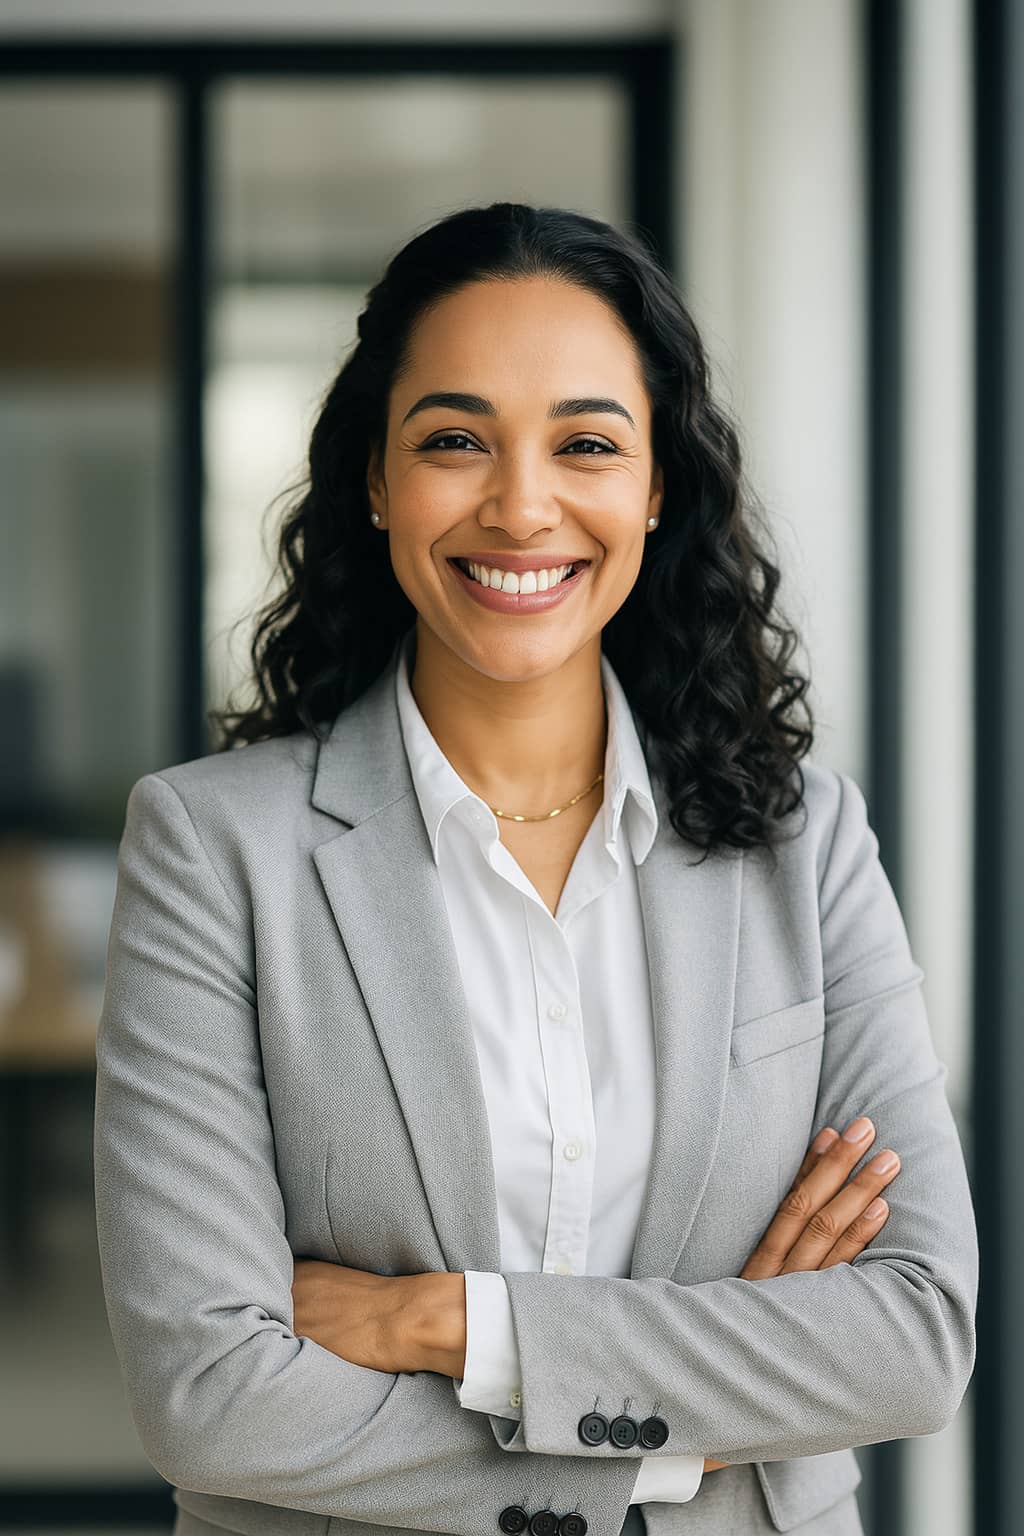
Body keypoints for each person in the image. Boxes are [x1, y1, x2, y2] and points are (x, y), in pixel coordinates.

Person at [93, 203, 977, 1536]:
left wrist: (449, 1323)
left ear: (657, 485)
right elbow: (210, 1395)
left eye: (586, 444)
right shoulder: (215, 851)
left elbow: (912, 1336)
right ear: (377, 481)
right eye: (454, 441)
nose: (521, 505)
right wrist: (693, 1422)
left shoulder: (807, 847)